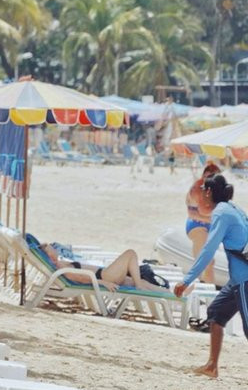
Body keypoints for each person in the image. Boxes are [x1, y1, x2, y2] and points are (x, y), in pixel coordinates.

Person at [174, 174, 248, 378]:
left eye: (202, 190)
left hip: (245, 280)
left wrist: (186, 279)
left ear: (208, 192)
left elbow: (208, 250)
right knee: (216, 313)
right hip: (237, 279)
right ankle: (211, 366)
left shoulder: (221, 213)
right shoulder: (234, 208)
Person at [40, 243, 168, 292]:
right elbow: (82, 278)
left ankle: (170, 295)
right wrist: (104, 283)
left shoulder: (61, 264)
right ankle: (139, 285)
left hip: (104, 275)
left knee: (142, 282)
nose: (54, 248)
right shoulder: (61, 268)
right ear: (50, 255)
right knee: (130, 253)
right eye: (51, 249)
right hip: (104, 277)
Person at [187, 162, 221, 286]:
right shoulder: (196, 190)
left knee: (210, 264)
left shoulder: (220, 192)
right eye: (207, 176)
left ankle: (209, 298)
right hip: (197, 226)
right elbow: (192, 214)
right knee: (203, 262)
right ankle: (194, 292)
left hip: (210, 228)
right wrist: (210, 218)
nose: (209, 179)